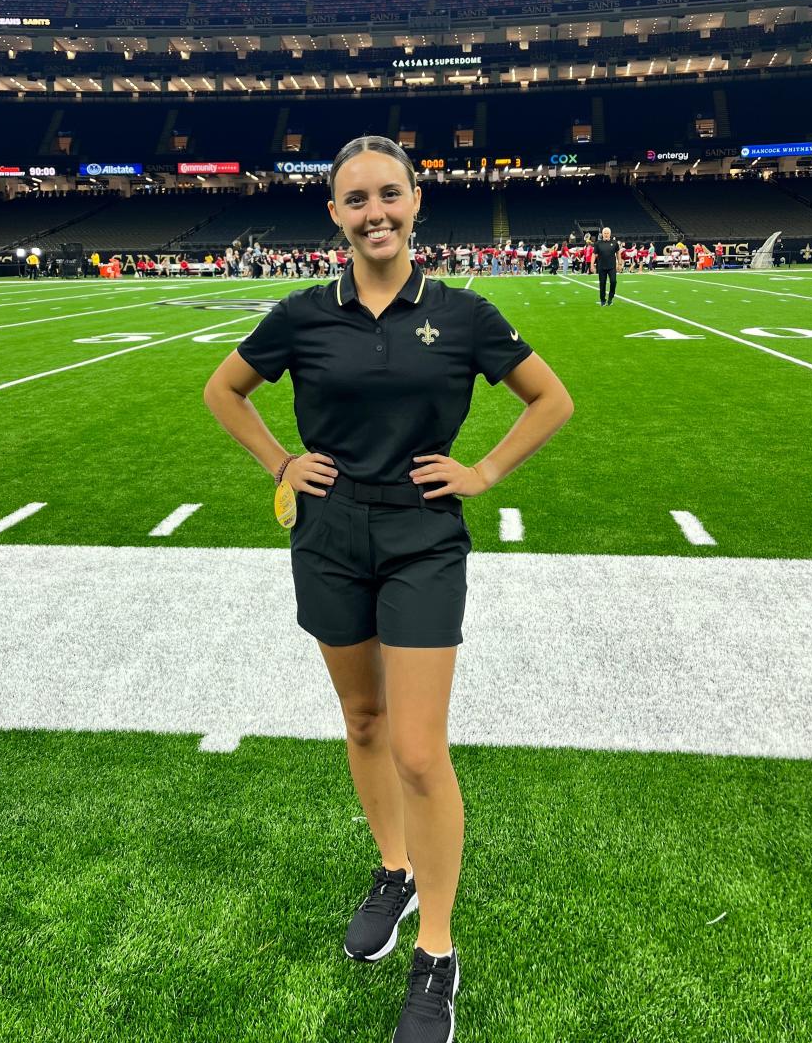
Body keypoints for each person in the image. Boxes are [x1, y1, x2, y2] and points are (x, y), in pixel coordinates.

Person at [203, 135, 574, 1043]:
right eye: (356, 199)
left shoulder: (465, 311)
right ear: (334, 214)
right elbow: (224, 391)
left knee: (416, 747)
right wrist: (283, 461)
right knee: (362, 721)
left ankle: (438, 953)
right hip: (328, 533)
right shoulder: (300, 313)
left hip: (421, 537)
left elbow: (551, 400)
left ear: (417, 202)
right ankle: (393, 870)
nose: (375, 213)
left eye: (389, 196)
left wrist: (482, 472)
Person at [591, 225, 620, 306]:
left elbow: (618, 253)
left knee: (613, 282)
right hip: (601, 267)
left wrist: (620, 263)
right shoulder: (598, 243)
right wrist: (592, 264)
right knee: (602, 284)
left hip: (612, 267)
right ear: (602, 234)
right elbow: (594, 254)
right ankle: (603, 300)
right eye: (605, 233)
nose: (606, 234)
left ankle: (610, 298)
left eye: (607, 233)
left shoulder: (614, 243)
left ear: (610, 234)